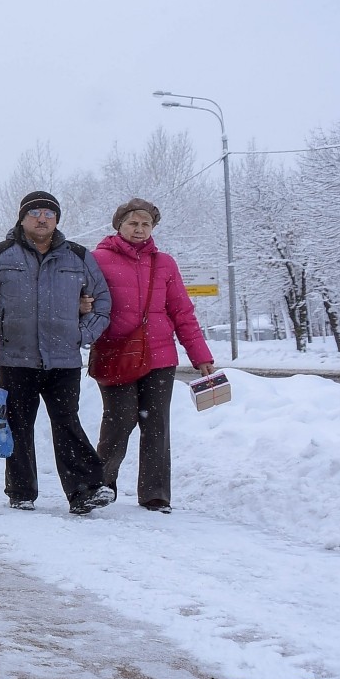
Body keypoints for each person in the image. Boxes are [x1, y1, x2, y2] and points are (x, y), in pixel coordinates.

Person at [0, 190, 116, 515]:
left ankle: (85, 491)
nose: (42, 218)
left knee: (66, 422)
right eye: (35, 212)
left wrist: (81, 333)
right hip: (16, 359)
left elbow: (102, 302)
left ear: (57, 219)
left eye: (49, 212)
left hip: (64, 361)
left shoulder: (77, 256)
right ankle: (21, 491)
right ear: (22, 218)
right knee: (18, 424)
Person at [91, 198, 216, 515]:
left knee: (157, 424)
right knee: (119, 420)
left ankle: (155, 493)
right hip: (116, 354)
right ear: (119, 225)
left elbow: (182, 313)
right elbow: (84, 304)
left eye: (145, 224)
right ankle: (99, 485)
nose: (139, 229)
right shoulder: (97, 260)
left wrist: (200, 355)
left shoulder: (165, 264)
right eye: (133, 223)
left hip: (160, 356)